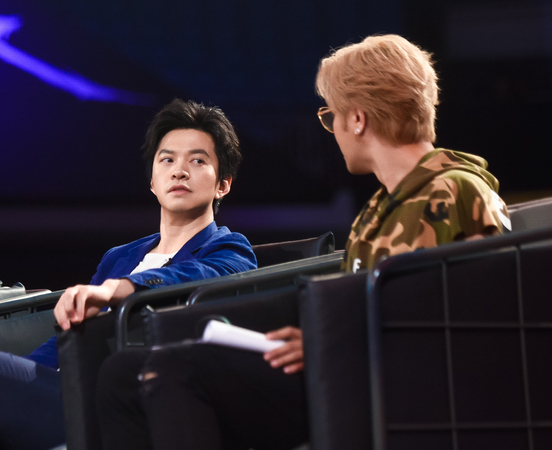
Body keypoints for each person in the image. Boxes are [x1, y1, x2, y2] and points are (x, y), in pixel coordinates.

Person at [96, 35, 511, 450]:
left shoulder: (457, 190)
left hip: (388, 382)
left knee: (175, 368)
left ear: (357, 120)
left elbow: (472, 320)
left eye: (332, 116)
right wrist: (316, 339)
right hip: (346, 367)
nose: (333, 130)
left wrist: (327, 343)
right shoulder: (376, 212)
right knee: (125, 372)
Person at [0, 99, 256, 450]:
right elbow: (69, 339)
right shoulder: (120, 257)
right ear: (153, 181)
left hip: (110, 407)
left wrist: (117, 290)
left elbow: (200, 276)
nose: (179, 171)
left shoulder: (228, 249)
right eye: (167, 160)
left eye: (198, 161)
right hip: (55, 392)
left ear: (223, 184)